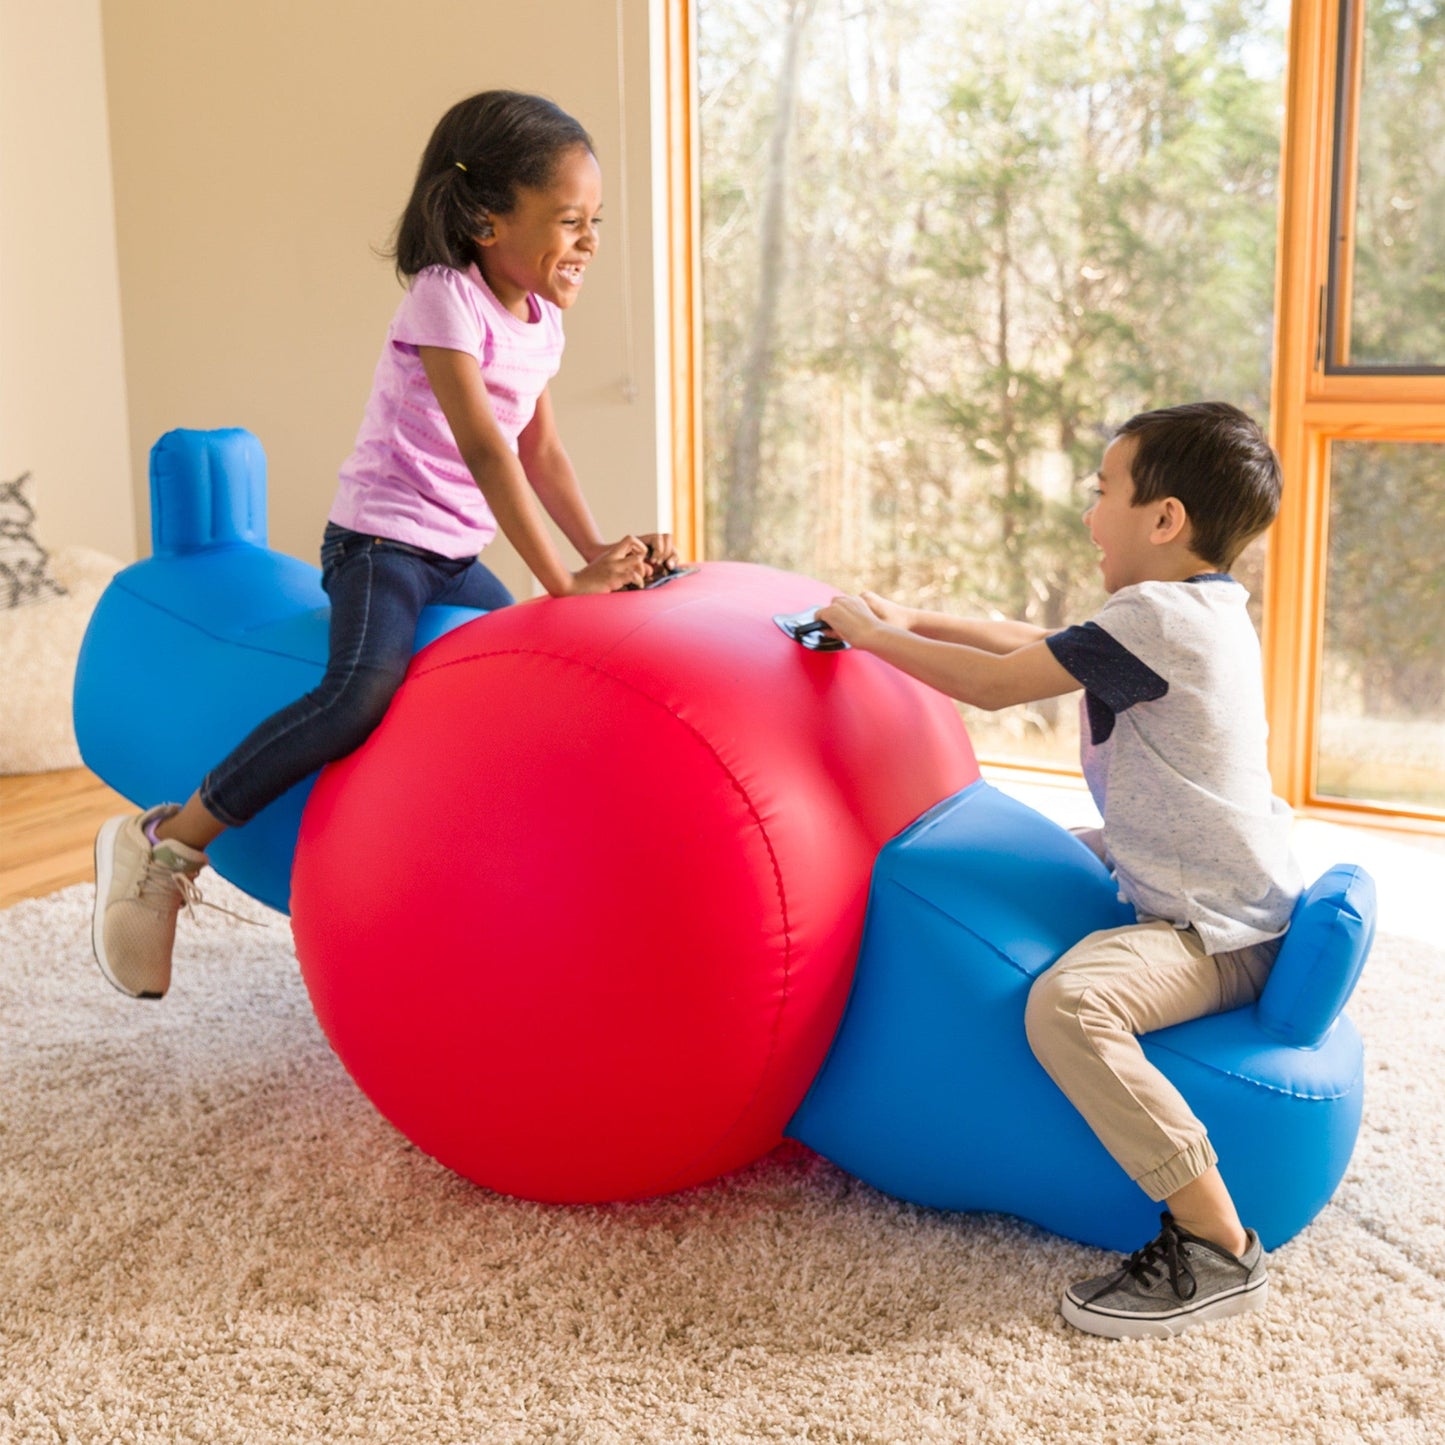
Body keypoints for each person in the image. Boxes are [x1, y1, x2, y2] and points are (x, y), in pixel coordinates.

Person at [92, 90, 676, 1001]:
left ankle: (490, 890)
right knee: (355, 694)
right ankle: (165, 845)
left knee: (524, 682)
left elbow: (541, 450)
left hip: (451, 552)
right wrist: (562, 581)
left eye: (594, 220)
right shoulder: (448, 298)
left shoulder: (541, 320)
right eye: (569, 220)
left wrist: (605, 553)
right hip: (380, 545)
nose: (591, 241)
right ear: (487, 219)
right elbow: (485, 447)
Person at [818, 400, 1303, 1340]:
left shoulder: (1159, 616)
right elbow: (1023, 642)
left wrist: (875, 641)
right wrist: (907, 615)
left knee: (1068, 1005)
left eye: (1103, 492)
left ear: (1164, 519)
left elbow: (1001, 685)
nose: (1090, 516)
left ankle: (1214, 1241)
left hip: (1216, 930)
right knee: (1027, 853)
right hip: (1207, 891)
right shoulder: (1188, 607)